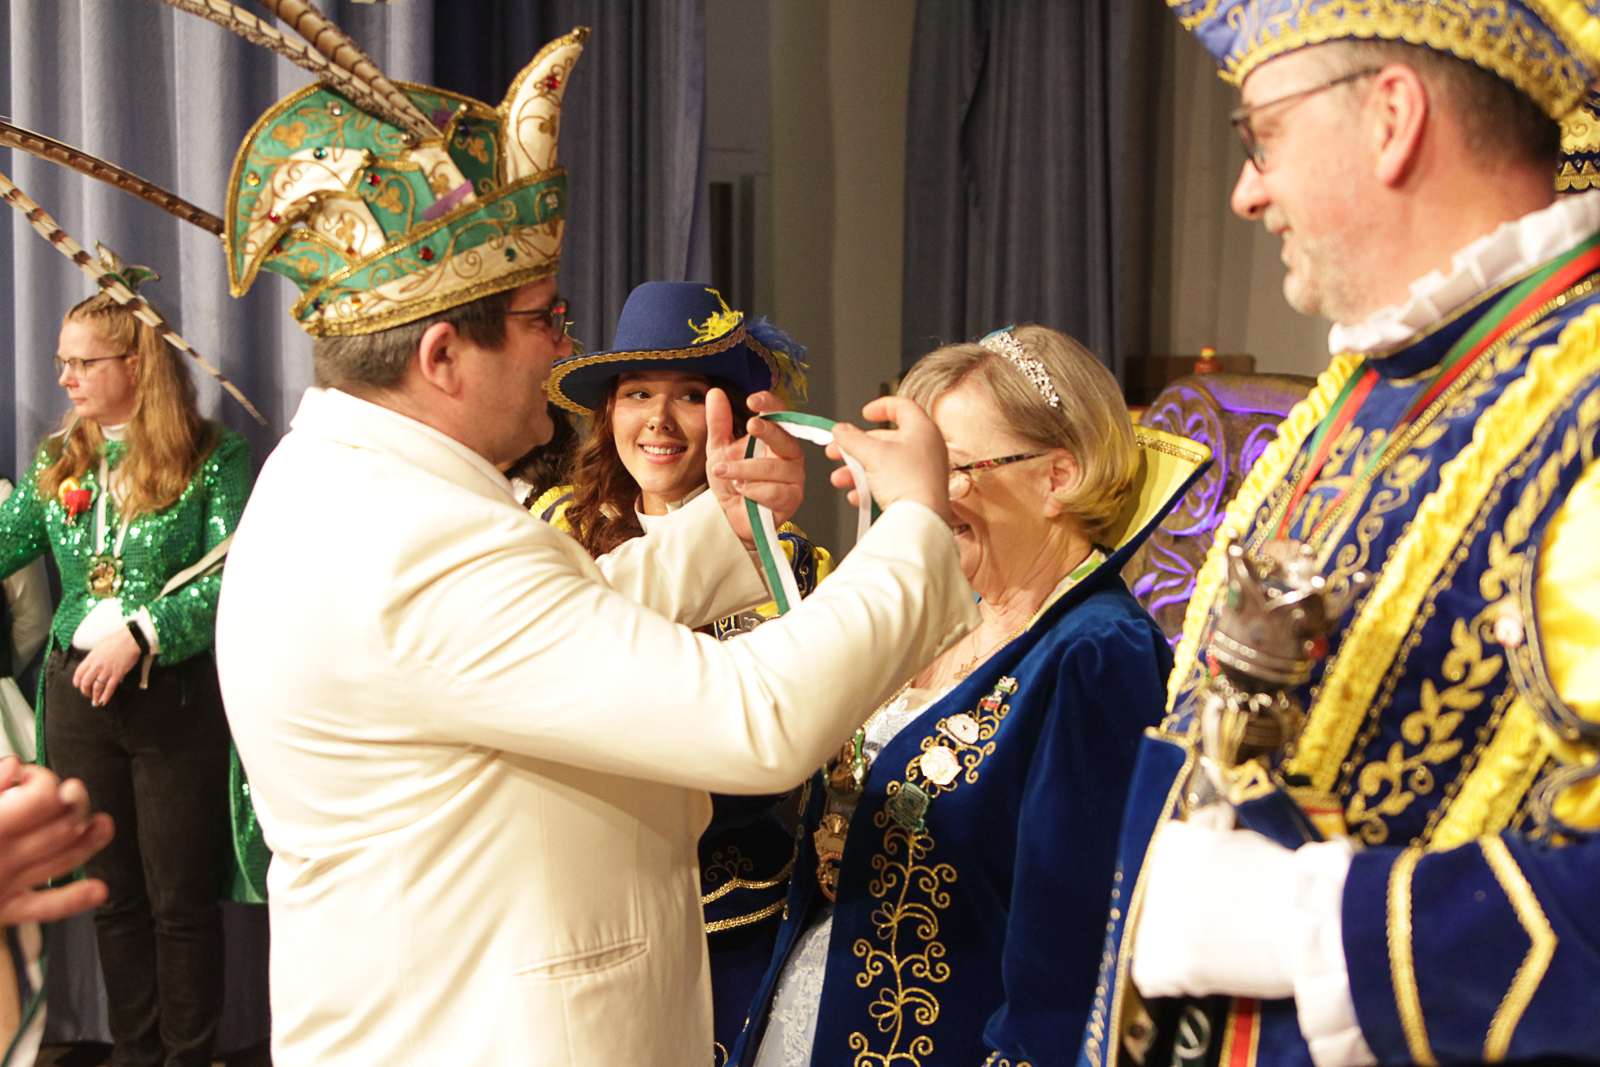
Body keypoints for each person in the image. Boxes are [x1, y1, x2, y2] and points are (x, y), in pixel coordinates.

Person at [207, 25, 979, 1067]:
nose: (565, 349)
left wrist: (724, 524)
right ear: (443, 354)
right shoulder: (417, 543)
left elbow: (557, 624)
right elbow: (754, 717)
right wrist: (917, 521)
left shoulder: (338, 486)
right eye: (546, 318)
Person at [1083, 5, 1600, 1067]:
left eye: (1261, 134)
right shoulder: (1377, 382)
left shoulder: (1580, 399)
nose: (1246, 190)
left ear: (1391, 117)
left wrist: (1322, 923)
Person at [731, 326, 1208, 1067]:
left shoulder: (1098, 650)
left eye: (949, 467)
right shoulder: (934, 612)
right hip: (811, 1014)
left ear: (1059, 476)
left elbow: (1074, 945)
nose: (918, 497)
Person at [540, 281, 829, 1063]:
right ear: (608, 411)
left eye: (692, 395)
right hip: (590, 916)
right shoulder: (551, 541)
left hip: (743, 915)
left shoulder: (789, 561)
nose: (659, 420)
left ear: (734, 416)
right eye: (638, 392)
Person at [0, 288, 250, 1067]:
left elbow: (233, 576)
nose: (66, 377)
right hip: (77, 700)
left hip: (172, 700)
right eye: (61, 361)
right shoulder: (57, 460)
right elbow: (4, 541)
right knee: (112, 894)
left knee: (180, 901)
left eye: (83, 362)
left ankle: (186, 1058)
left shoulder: (213, 457)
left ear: (137, 363)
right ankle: (135, 1056)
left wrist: (144, 633)